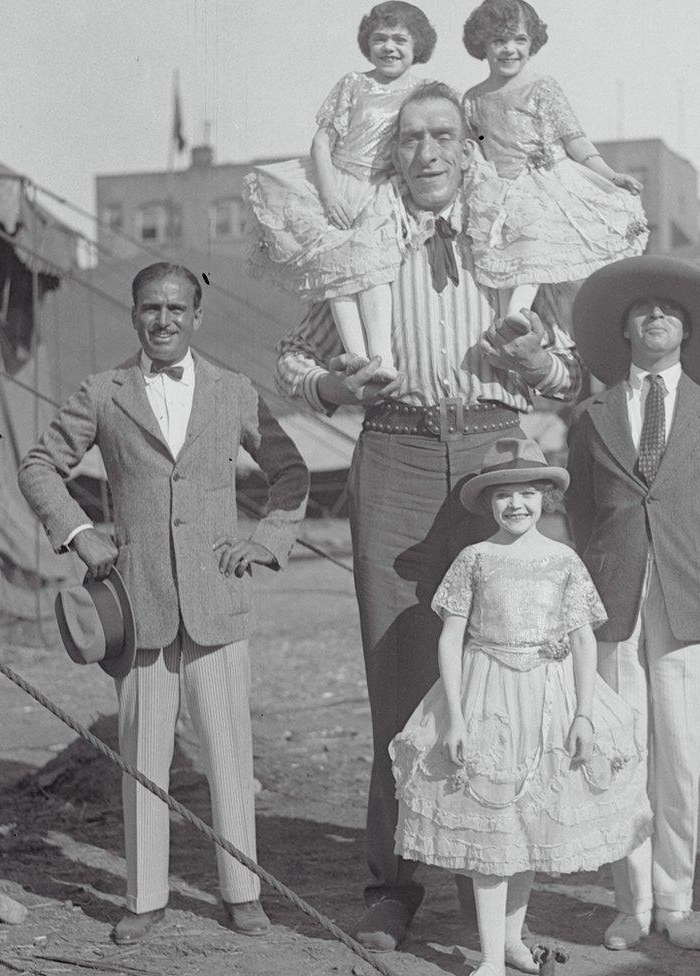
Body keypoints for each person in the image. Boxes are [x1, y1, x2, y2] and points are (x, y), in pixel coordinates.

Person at [274, 81, 582, 951]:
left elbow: (565, 373)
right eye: (410, 139)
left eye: (445, 135)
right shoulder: (362, 239)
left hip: (494, 453)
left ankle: (496, 882)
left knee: (508, 665)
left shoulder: (510, 237)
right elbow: (297, 358)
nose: (429, 153)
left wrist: (538, 366)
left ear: (471, 147)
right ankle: (393, 885)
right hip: (397, 447)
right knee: (402, 665)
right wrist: (334, 385)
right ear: (391, 153)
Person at [18, 263, 310, 944]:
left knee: (229, 754)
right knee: (142, 756)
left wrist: (265, 542)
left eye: (178, 309)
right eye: (151, 308)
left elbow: (290, 471)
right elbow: (38, 466)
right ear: (134, 315)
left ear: (198, 318)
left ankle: (242, 893)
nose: (164, 320)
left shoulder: (234, 391)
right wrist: (80, 533)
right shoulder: (102, 391)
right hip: (138, 603)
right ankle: (144, 897)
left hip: (218, 603)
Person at [390, 437, 651, 976]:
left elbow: (582, 640)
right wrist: (456, 716)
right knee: (494, 823)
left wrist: (583, 712)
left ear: (546, 499)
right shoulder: (475, 559)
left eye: (529, 493)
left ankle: (512, 941)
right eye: (505, 494)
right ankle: (489, 957)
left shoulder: (562, 561)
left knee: (530, 826)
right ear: (489, 503)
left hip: (550, 699)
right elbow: (451, 637)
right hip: (489, 696)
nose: (517, 504)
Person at [565, 255, 700, 952]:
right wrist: (614, 561)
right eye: (642, 310)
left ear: (686, 332)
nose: (655, 318)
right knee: (619, 755)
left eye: (668, 311)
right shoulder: (592, 413)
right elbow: (580, 508)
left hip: (687, 600)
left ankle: (676, 902)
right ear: (624, 330)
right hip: (614, 600)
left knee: (680, 757)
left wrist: (690, 557)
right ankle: (631, 904)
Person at [245, 2, 439, 383]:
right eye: (380, 39)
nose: (389, 47)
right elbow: (321, 142)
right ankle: (356, 356)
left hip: (383, 189)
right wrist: (330, 194)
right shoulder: (354, 83)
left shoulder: (419, 92)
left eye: (400, 39)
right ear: (368, 44)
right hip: (338, 181)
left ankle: (381, 358)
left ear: (418, 47)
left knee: (375, 271)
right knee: (338, 274)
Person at [460, 0, 648, 325]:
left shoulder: (542, 87)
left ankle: (517, 316)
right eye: (499, 40)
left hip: (547, 182)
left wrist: (609, 174)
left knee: (535, 248)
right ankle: (508, 323)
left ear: (532, 42)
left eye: (519, 40)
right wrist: (480, 170)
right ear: (482, 44)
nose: (509, 49)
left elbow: (573, 138)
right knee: (505, 257)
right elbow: (477, 141)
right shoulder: (474, 99)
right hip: (501, 187)